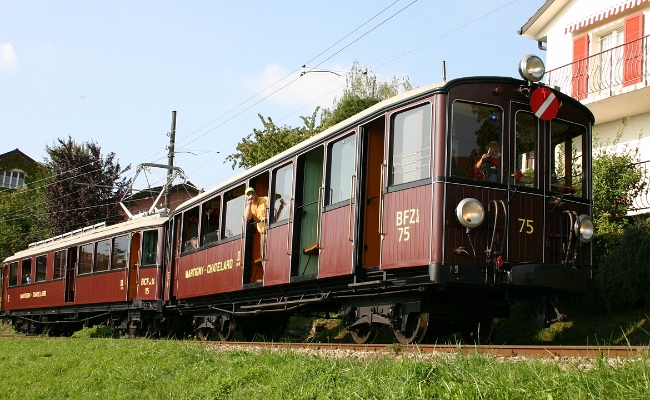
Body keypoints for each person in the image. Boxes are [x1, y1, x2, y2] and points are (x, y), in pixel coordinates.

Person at [243, 187, 269, 269]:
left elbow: (274, 208)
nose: (251, 195)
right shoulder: (250, 206)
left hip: (271, 228)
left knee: (269, 253)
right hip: (262, 231)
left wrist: (267, 217)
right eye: (249, 194)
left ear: (255, 193)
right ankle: (266, 273)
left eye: (252, 193)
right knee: (263, 255)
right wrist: (249, 204)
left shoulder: (265, 199)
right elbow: (247, 217)